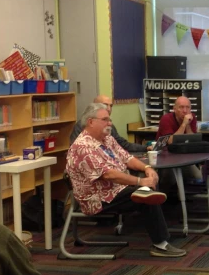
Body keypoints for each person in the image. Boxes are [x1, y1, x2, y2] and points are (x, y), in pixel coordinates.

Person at [66, 103, 186, 258]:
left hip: (115, 189)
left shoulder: (106, 139)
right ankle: (161, 245)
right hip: (98, 198)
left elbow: (127, 158)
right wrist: (140, 182)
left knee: (146, 187)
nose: (110, 123)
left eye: (109, 119)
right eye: (105, 119)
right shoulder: (83, 146)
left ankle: (158, 233)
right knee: (146, 197)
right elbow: (108, 175)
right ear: (90, 122)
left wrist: (147, 168)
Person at [70, 94, 150, 153]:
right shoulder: (81, 126)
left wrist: (145, 148)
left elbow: (122, 144)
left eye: (111, 106)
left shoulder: (109, 127)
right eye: (105, 105)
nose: (108, 109)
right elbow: (75, 152)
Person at [155, 96, 203, 192]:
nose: (185, 111)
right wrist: (184, 124)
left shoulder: (192, 118)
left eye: (187, 107)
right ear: (175, 109)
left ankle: (181, 193)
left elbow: (192, 140)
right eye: (181, 107)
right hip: (165, 157)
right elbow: (171, 142)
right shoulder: (166, 119)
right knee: (170, 181)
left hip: (183, 157)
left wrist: (188, 124)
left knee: (198, 176)